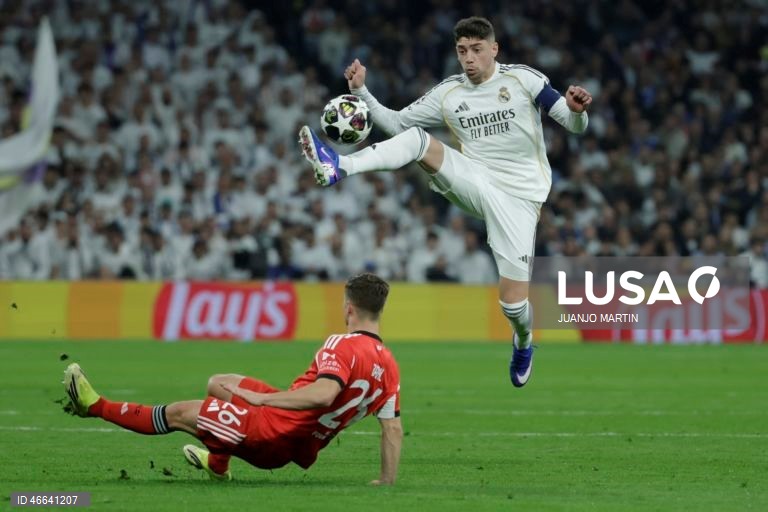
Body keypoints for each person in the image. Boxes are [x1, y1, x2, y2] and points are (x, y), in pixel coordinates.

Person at [299, 16, 592, 387]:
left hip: (521, 197)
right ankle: (339, 165)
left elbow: (570, 121)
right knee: (419, 140)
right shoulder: (448, 94)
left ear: (494, 49)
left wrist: (578, 111)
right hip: (475, 177)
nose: (468, 59)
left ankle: (524, 340)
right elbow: (397, 124)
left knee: (513, 305)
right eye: (461, 51)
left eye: (476, 50)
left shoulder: (524, 79)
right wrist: (363, 93)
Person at [62, 273, 402, 484]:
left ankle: (93, 406)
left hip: (272, 432)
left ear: (348, 309)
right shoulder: (389, 367)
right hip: (299, 437)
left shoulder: (341, 344)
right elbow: (392, 428)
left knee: (181, 412)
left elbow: (324, 394)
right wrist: (386, 480)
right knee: (219, 383)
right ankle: (217, 463)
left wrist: (263, 400)